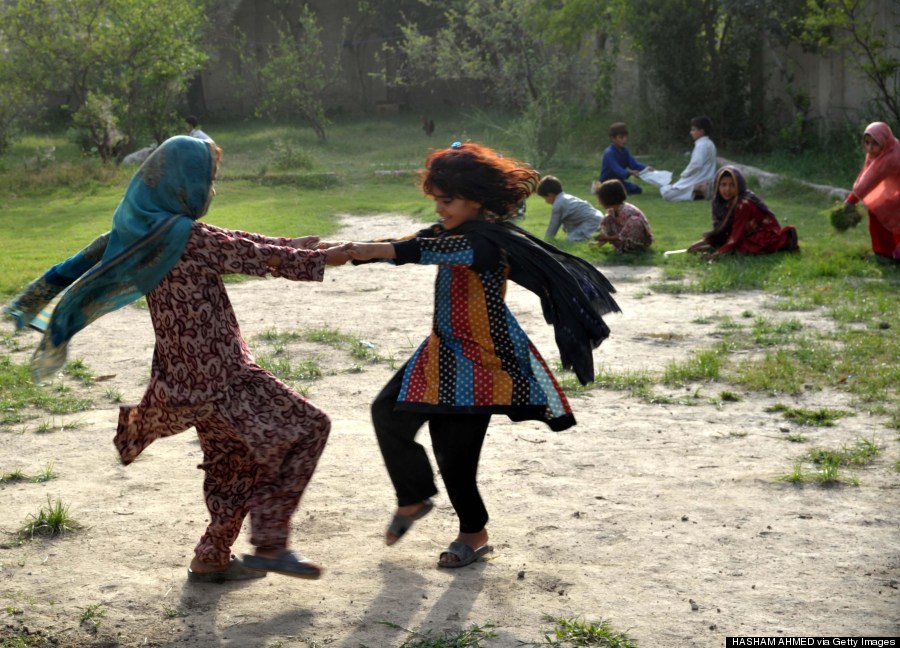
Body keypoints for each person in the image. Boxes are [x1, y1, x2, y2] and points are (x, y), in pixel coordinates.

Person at [8, 135, 350, 583]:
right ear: (182, 184)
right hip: (223, 377)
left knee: (233, 462)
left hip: (183, 384)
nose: (211, 191)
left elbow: (234, 242)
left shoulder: (140, 235)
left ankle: (211, 556)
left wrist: (30, 300)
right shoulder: (184, 236)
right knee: (309, 428)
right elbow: (247, 253)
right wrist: (322, 257)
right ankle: (269, 542)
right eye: (208, 181)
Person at [345, 142, 620, 569]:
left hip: (480, 362)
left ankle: (473, 534)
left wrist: (378, 251)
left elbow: (427, 251)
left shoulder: (487, 242)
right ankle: (414, 497)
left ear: (476, 199)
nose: (439, 209)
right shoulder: (451, 231)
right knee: (387, 412)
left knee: (454, 458)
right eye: (436, 200)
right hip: (439, 351)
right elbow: (415, 242)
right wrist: (342, 250)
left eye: (447, 200)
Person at [686, 165, 798, 260]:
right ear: (717, 185)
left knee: (741, 247)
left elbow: (735, 237)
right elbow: (722, 232)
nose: (727, 190)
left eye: (732, 185)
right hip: (743, 232)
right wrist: (702, 243)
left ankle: (786, 239)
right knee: (727, 243)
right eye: (723, 184)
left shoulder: (743, 204)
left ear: (739, 186)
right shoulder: (718, 202)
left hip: (762, 232)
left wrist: (715, 255)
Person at [843, 121, 900, 260]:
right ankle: (885, 250)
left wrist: (851, 201)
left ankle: (886, 252)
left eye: (875, 143)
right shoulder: (886, 148)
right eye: (867, 142)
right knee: (879, 210)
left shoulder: (890, 158)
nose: (870, 148)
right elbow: (867, 173)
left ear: (884, 142)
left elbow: (870, 180)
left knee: (882, 210)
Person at [660, 116, 717, 201]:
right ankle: (697, 193)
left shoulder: (701, 145)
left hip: (699, 179)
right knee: (670, 188)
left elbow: (696, 164)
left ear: (701, 131)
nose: (691, 132)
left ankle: (697, 188)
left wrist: (684, 174)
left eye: (693, 130)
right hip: (705, 178)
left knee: (666, 193)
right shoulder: (710, 143)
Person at [537, 175, 603, 242]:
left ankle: (594, 237)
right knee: (572, 234)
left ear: (550, 195)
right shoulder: (567, 197)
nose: (545, 201)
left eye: (545, 198)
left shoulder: (558, 204)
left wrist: (545, 241)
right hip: (598, 216)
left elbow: (553, 227)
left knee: (570, 240)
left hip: (592, 222)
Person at [593, 179, 653, 252]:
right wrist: (600, 242)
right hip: (621, 239)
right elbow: (609, 226)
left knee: (634, 221)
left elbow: (624, 234)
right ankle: (620, 247)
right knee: (607, 218)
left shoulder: (628, 211)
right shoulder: (612, 212)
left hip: (638, 241)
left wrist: (607, 238)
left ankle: (633, 248)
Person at [599, 122, 651, 195]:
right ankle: (600, 189)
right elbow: (617, 169)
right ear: (613, 138)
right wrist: (629, 172)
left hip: (619, 182)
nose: (624, 140)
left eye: (626, 137)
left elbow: (633, 164)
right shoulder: (609, 153)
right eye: (621, 137)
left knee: (637, 189)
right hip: (607, 182)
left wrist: (646, 169)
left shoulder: (625, 151)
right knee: (619, 192)